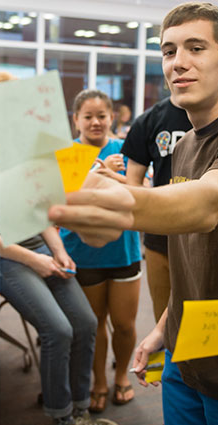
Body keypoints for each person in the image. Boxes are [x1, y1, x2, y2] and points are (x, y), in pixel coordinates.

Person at [49, 2, 218, 425]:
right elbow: (195, 259)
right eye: (169, 51)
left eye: (196, 48)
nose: (178, 63)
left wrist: (122, 203)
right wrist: (164, 330)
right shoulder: (184, 145)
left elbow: (209, 204)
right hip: (188, 355)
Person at [0, 72, 114, 425]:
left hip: (36, 247)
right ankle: (61, 416)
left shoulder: (22, 146)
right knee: (58, 330)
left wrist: (57, 250)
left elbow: (38, 208)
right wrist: (35, 259)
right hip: (0, 256)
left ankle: (80, 410)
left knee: (85, 323)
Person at [60, 90, 142, 413]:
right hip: (83, 254)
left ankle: (121, 374)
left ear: (112, 118)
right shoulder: (67, 155)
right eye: (88, 116)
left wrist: (116, 176)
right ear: (76, 120)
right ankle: (99, 381)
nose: (95, 122)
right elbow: (64, 201)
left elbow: (144, 195)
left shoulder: (126, 150)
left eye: (101, 116)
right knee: (93, 324)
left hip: (124, 252)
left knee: (124, 324)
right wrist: (99, 173)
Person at [120, 96, 193, 322]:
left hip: (208, 238)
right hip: (160, 239)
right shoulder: (149, 121)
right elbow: (133, 185)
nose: (179, 65)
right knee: (164, 319)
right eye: (168, 57)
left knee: (201, 323)